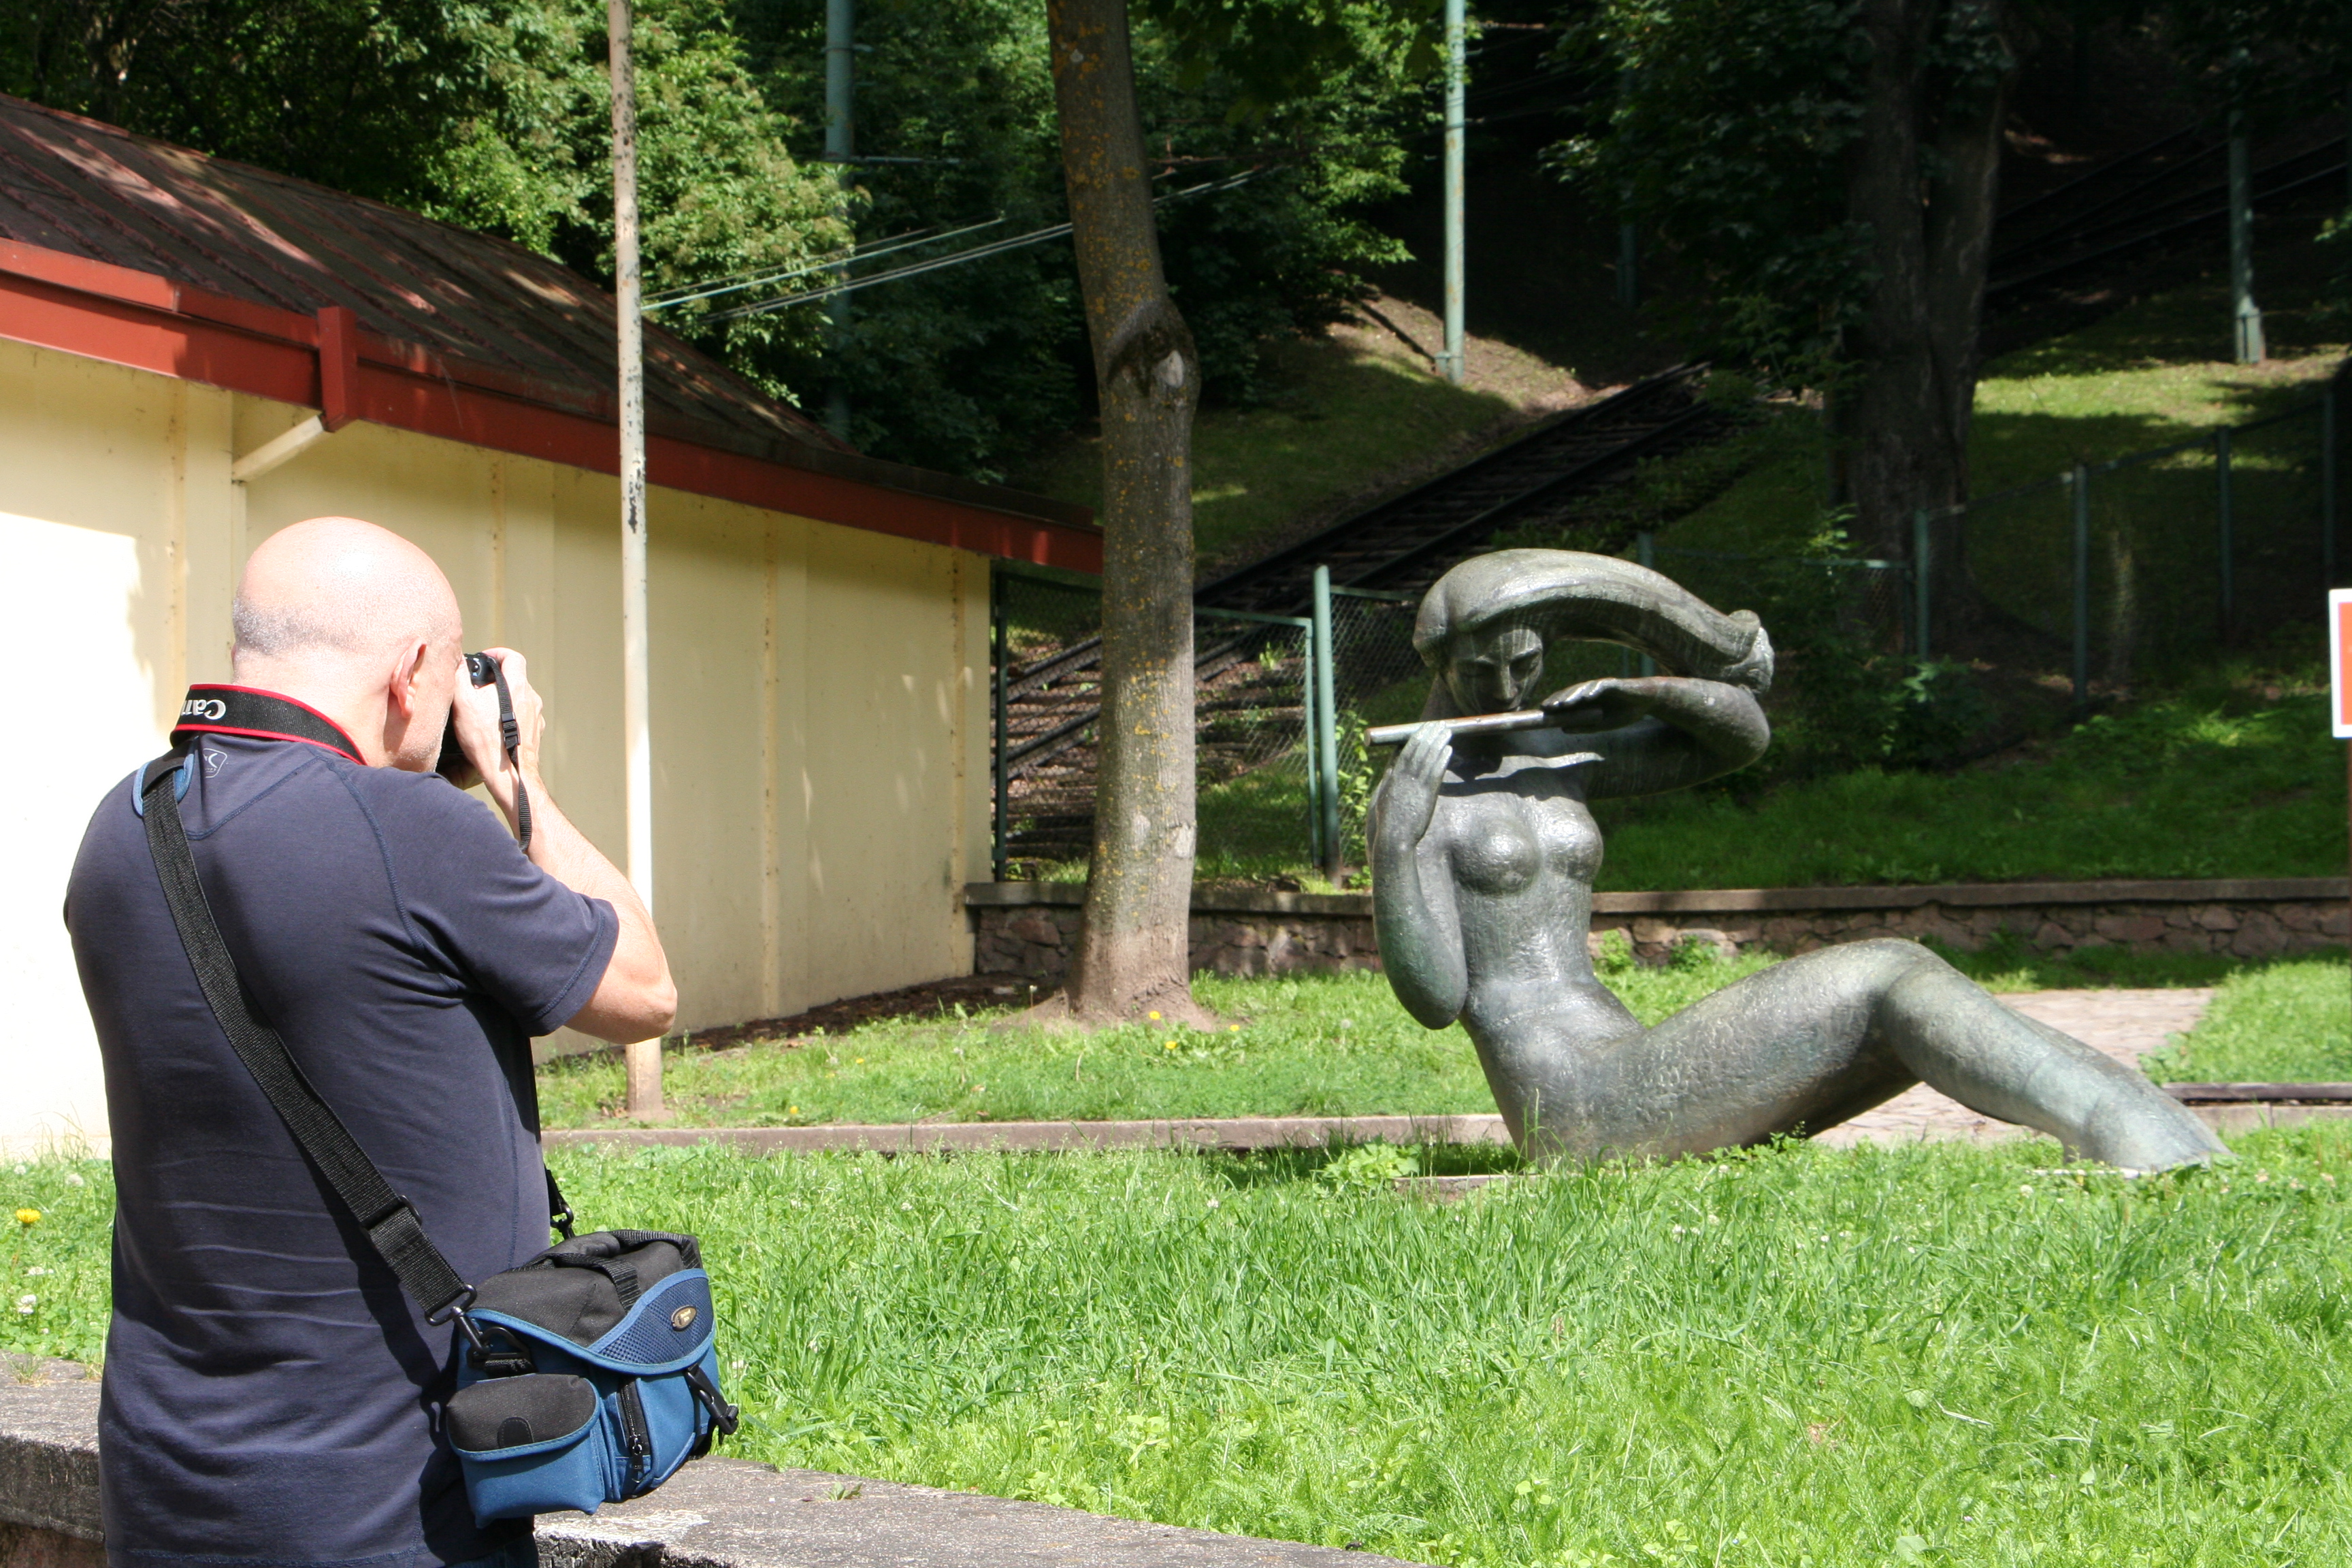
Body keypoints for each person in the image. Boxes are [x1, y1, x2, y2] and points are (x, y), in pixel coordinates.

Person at [65, 517, 677, 1568]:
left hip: (164, 1487)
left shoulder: (122, 826)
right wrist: (514, 770)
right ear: (411, 673)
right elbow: (644, 991)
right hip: (386, 1508)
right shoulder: (411, 829)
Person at [1371, 549, 2227, 1173]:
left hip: (1628, 1062)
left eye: (1524, 664)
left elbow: (1741, 737)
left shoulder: (1552, 761)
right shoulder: (1415, 800)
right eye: (1480, 671)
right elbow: (1436, 1000)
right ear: (1439, 664)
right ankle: (2132, 1135)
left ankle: (2150, 1132)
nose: (1505, 689)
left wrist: (1646, 694)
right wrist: (1394, 845)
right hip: (1574, 1109)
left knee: (1899, 1004)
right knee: (1887, 973)